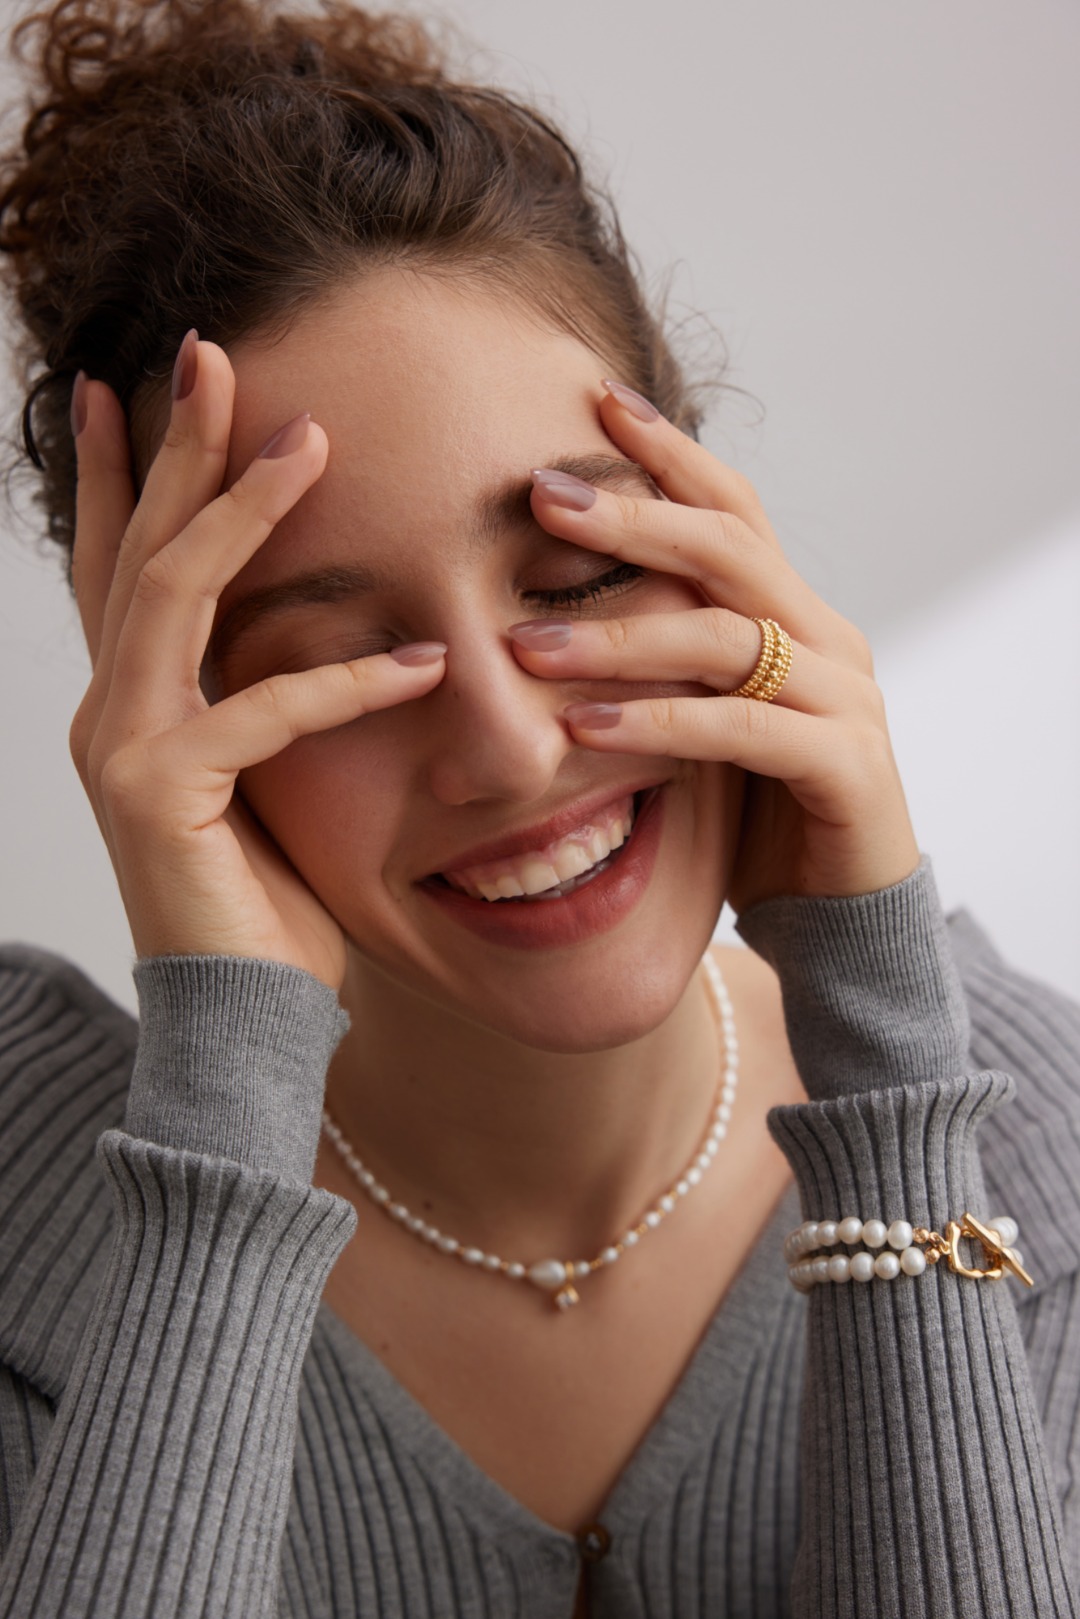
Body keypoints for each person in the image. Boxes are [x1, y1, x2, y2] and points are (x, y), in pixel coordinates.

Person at [0, 0, 1077, 1614]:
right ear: (170, 702)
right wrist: (223, 1098)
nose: (506, 749)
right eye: (342, 664)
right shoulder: (28, 1215)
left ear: (730, 547)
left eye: (579, 581)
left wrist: (894, 1090)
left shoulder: (1036, 1156)